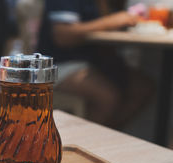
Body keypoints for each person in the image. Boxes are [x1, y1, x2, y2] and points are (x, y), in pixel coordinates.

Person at [37, 0, 154, 128]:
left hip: (95, 62)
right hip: (56, 64)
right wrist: (110, 22)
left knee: (141, 87)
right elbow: (63, 35)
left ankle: (104, 136)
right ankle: (85, 142)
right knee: (107, 97)